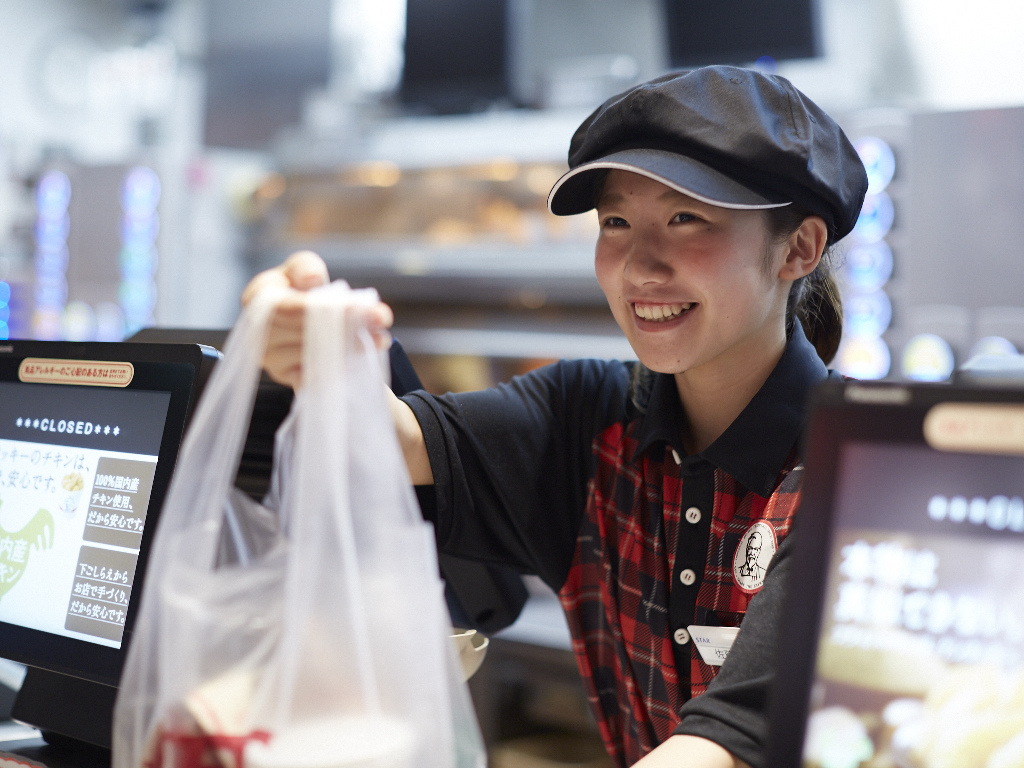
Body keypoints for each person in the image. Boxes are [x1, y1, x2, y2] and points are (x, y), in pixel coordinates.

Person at [242, 66, 868, 768]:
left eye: (685, 217)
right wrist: (299, 348)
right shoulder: (587, 422)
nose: (639, 265)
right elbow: (388, 444)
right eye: (617, 222)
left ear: (799, 248)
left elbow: (732, 742)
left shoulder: (857, 474)